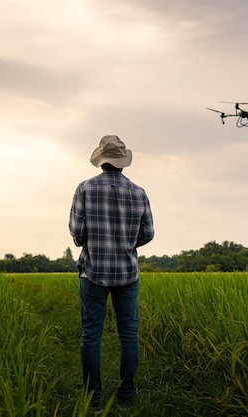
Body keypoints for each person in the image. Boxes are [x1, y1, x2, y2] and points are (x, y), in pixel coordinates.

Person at [69, 135, 154, 409]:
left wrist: (91, 243)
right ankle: (126, 396)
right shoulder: (139, 193)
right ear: (122, 163)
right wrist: (127, 245)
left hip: (93, 271)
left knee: (91, 334)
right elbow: (148, 233)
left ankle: (93, 400)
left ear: (101, 160)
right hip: (128, 273)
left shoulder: (85, 188)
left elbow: (77, 231)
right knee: (128, 333)